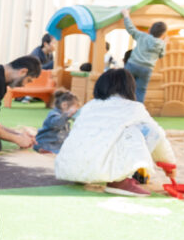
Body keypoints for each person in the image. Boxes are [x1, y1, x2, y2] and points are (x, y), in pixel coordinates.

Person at [54, 68, 175, 196]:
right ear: (129, 88)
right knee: (146, 130)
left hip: (68, 169)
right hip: (98, 168)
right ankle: (120, 183)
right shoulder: (134, 108)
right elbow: (158, 135)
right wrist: (169, 164)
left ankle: (85, 175)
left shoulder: (88, 106)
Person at [120, 8, 167, 103]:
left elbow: (131, 29)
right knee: (140, 91)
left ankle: (121, 104)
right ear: (162, 34)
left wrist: (126, 15)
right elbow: (161, 55)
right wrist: (164, 42)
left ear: (149, 29)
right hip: (147, 69)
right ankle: (138, 110)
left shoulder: (143, 36)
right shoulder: (161, 43)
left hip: (133, 64)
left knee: (124, 86)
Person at [33, 89, 80, 154]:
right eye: (75, 108)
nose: (75, 111)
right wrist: (68, 114)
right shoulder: (54, 114)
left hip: (56, 143)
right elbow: (57, 123)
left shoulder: (64, 117)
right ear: (64, 105)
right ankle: (43, 149)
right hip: (45, 142)